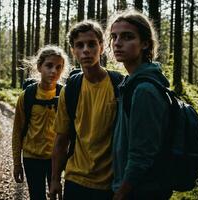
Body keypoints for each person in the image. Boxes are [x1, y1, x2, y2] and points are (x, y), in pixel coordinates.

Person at [49, 20, 122, 200]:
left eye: (91, 44)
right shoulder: (70, 90)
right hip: (75, 180)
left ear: (102, 47)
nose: (86, 50)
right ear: (73, 51)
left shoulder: (119, 85)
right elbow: (61, 140)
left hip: (110, 183)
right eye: (79, 45)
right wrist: (55, 180)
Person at [107, 9, 173, 200]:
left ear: (145, 43)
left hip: (140, 191)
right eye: (114, 37)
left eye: (127, 37)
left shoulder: (144, 89)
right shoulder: (131, 83)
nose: (117, 43)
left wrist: (122, 192)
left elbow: (142, 153)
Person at [12, 45, 69, 200]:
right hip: (32, 158)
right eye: (49, 66)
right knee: (36, 196)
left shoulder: (65, 94)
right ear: (39, 67)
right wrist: (17, 164)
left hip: (56, 159)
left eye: (59, 67)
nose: (54, 71)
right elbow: (17, 131)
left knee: (55, 195)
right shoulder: (27, 96)